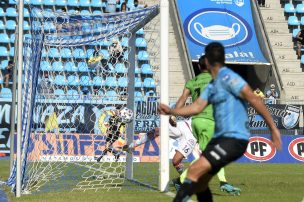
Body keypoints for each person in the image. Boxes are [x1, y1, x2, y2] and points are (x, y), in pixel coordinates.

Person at [158, 42, 282, 202]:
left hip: (234, 139)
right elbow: (196, 107)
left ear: (207, 62)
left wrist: (273, 128)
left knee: (194, 171)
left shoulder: (229, 78)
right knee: (201, 183)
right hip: (223, 138)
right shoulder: (213, 83)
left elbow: (254, 99)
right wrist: (171, 111)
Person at [174, 55, 240, 194]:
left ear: (199, 66)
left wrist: (174, 114)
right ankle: (221, 182)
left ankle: (181, 180)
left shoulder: (192, 82)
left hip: (196, 121)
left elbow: (181, 100)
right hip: (210, 120)